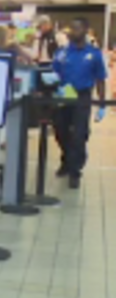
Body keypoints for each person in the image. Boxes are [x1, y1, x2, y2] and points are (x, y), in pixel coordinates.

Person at [52, 17, 108, 189]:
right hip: (63, 95)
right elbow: (53, 74)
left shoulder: (94, 54)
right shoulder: (62, 52)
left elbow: (100, 79)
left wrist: (102, 103)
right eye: (71, 28)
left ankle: (75, 170)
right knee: (60, 131)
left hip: (82, 96)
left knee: (79, 134)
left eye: (77, 28)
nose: (73, 31)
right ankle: (67, 160)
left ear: (85, 30)